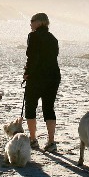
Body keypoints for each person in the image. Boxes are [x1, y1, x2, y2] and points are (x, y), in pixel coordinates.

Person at [24, 12, 60, 153]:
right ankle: (51, 141)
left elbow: (32, 57)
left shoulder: (33, 36)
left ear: (40, 22)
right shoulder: (53, 38)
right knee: (49, 107)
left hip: (37, 76)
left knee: (31, 106)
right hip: (53, 76)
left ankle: (33, 139)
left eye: (32, 21)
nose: (31, 24)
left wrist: (27, 73)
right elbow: (52, 57)